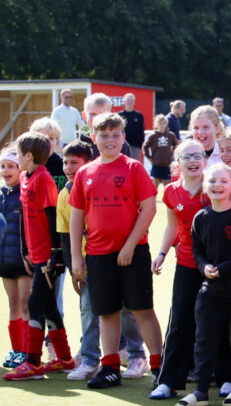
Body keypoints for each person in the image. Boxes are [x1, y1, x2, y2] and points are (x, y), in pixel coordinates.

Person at [68, 112, 163, 389]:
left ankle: (159, 367)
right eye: (104, 135)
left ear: (124, 137)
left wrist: (130, 245)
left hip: (133, 253)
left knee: (142, 309)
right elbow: (76, 216)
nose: (110, 140)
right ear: (94, 138)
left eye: (115, 135)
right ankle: (109, 368)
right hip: (98, 254)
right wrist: (77, 256)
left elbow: (149, 208)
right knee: (106, 312)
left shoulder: (134, 168)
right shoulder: (85, 172)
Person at [176, 164, 231, 406]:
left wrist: (223, 269)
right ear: (204, 186)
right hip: (210, 291)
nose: (217, 185)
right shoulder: (201, 217)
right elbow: (197, 250)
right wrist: (203, 268)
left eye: (223, 181)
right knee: (204, 340)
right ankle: (200, 391)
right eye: (212, 181)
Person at [0, 134, 72, 379]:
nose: (16, 158)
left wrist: (55, 254)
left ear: (29, 156)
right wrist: (24, 252)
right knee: (49, 306)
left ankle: (33, 363)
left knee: (35, 304)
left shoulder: (43, 179)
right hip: (34, 255)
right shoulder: (24, 177)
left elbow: (53, 218)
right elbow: (23, 219)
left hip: (48, 257)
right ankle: (64, 358)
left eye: (18, 154)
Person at [149, 140, 207, 399]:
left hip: (216, 266)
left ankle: (230, 381)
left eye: (198, 155)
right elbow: (172, 226)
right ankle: (169, 380)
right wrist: (161, 253)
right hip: (185, 263)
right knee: (180, 321)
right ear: (178, 162)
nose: (193, 160)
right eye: (187, 156)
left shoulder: (216, 185)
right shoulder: (171, 192)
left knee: (221, 321)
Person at [0, 148, 31, 368]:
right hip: (5, 259)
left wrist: (29, 254)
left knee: (26, 303)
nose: (6, 170)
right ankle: (16, 349)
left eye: (11, 166)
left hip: (24, 260)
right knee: (13, 303)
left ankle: (28, 350)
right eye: (3, 166)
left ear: (19, 169)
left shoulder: (25, 192)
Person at [143, 114, 178, 190]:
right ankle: (152, 201)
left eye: (163, 123)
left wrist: (172, 154)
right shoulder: (153, 136)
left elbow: (176, 145)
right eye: (160, 123)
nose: (162, 125)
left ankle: (168, 201)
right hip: (156, 163)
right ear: (156, 124)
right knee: (155, 185)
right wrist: (150, 157)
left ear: (166, 124)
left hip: (167, 163)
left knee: (167, 185)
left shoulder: (170, 135)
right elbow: (145, 146)